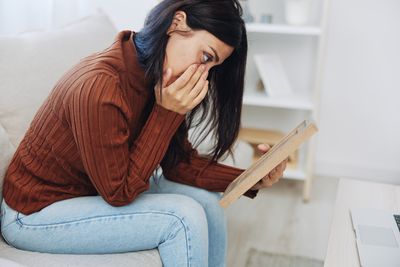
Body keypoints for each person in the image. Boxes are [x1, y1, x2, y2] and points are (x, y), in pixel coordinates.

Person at [1, 0, 288, 266]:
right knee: (182, 218)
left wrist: (251, 178)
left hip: (89, 192)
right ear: (177, 23)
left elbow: (177, 164)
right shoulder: (101, 87)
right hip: (35, 213)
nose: (203, 74)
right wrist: (168, 113)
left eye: (213, 66)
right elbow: (119, 193)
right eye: (205, 57)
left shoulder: (158, 75)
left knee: (208, 205)